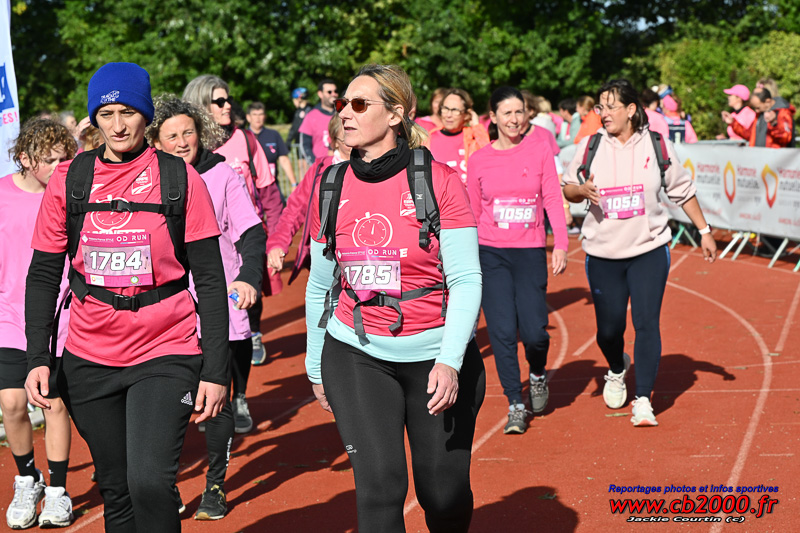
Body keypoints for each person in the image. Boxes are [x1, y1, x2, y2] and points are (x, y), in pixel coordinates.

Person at [24, 62, 229, 532]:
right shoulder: (69, 180)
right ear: (94, 117)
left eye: (128, 112)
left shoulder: (180, 178)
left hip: (165, 348)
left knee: (150, 483)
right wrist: (37, 356)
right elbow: (44, 274)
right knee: (117, 490)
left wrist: (216, 371)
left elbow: (211, 280)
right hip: (89, 356)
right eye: (106, 113)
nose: (117, 126)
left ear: (146, 115)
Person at [305, 64, 485, 532]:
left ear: (395, 114)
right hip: (355, 353)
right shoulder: (330, 184)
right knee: (380, 488)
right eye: (342, 103)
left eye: (358, 104)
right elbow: (320, 286)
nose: (344, 113)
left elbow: (467, 279)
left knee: (442, 495)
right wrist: (314, 366)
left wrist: (450, 361)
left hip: (436, 356)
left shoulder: (438, 180)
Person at [563, 79, 717, 427]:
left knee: (646, 323)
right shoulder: (590, 146)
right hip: (603, 252)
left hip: (649, 248)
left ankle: (643, 398)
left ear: (631, 110)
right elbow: (568, 188)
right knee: (608, 330)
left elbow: (682, 190)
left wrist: (705, 230)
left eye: (610, 106)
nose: (603, 113)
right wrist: (581, 191)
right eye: (600, 107)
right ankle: (617, 367)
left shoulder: (656, 144)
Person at [146, 95, 265, 520]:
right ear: (155, 142)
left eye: (189, 133)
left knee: (216, 396)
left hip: (219, 301)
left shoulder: (221, 174)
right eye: (172, 136)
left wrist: (248, 276)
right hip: (165, 308)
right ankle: (166, 484)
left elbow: (251, 232)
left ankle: (215, 484)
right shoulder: (147, 179)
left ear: (201, 133)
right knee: (166, 402)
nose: (182, 142)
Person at [467, 86, 568, 434]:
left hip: (529, 251)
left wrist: (561, 243)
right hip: (491, 252)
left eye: (519, 112)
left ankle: (537, 373)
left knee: (535, 332)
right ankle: (515, 403)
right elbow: (472, 211)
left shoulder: (539, 150)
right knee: (502, 332)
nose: (514, 119)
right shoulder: (479, 159)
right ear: (493, 117)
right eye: (507, 113)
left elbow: (552, 197)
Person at [2, 119, 76, 529]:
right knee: (13, 403)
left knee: (53, 402)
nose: (58, 167)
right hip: (9, 316)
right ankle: (28, 480)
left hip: (60, 316)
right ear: (25, 159)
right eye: (49, 160)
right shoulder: (1, 195)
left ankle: (58, 491)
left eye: (64, 159)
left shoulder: (71, 195)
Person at [183, 74, 281, 375]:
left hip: (243, 236)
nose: (228, 106)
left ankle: (251, 344)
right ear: (200, 105)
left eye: (229, 99)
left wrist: (276, 240)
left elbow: (268, 191)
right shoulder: (184, 148)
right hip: (204, 242)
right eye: (219, 101)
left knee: (245, 300)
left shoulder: (245, 139)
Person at [266, 117, 351, 283]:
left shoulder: (375, 169)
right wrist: (278, 244)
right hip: (325, 256)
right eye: (347, 138)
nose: (355, 144)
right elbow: (295, 209)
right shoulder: (320, 169)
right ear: (334, 142)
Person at [428, 88, 489, 186]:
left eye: (455, 110)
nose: (449, 115)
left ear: (466, 114)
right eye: (445, 108)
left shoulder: (473, 136)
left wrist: (476, 126)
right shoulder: (429, 138)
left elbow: (488, 156)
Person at [247, 101, 298, 188]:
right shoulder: (243, 136)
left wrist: (294, 183)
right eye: (254, 115)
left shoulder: (273, 134)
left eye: (260, 114)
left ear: (265, 116)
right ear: (248, 117)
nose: (258, 118)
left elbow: (284, 160)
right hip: (251, 187)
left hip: (272, 186)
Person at [723, 87, 795, 148]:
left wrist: (773, 123)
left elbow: (785, 138)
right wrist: (733, 122)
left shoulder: (783, 113)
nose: (756, 111)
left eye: (758, 108)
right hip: (758, 156)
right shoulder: (760, 113)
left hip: (775, 158)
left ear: (768, 102)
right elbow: (750, 134)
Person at [298, 79, 338, 164]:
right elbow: (305, 145)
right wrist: (315, 164)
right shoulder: (311, 116)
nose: (334, 94)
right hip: (321, 166)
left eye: (335, 91)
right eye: (329, 92)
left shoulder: (343, 114)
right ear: (320, 94)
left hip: (342, 166)